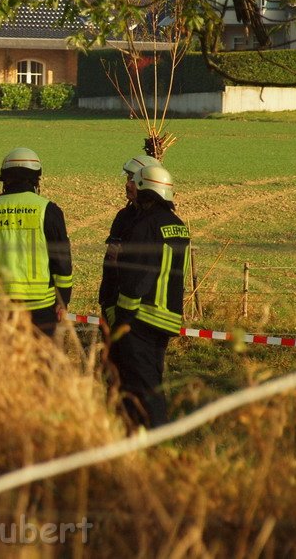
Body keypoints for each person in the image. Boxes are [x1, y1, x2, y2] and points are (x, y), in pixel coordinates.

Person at [0, 148, 73, 337]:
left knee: (1, 365)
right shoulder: (48, 210)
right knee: (40, 364)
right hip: (41, 308)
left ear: (5, 180)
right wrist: (63, 299)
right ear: (36, 180)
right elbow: (62, 262)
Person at [108, 165, 191, 429]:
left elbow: (137, 280)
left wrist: (121, 316)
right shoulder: (178, 226)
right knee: (152, 380)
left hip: (141, 318)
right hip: (167, 318)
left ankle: (152, 439)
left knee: (140, 387)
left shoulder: (144, 226)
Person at [99, 154, 162, 328]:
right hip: (114, 307)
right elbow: (110, 262)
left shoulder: (157, 222)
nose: (127, 184)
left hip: (143, 316)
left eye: (133, 180)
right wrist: (106, 302)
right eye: (128, 178)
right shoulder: (123, 217)